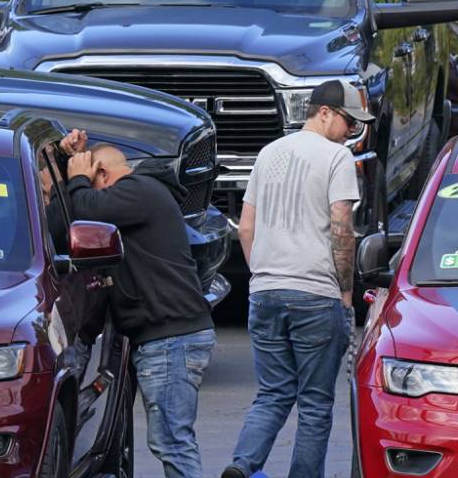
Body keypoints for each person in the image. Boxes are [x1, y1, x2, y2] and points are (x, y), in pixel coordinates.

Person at [221, 80, 373, 478]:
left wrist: (264, 273)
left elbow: (245, 227)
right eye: (348, 122)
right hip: (316, 294)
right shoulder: (336, 157)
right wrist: (345, 295)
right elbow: (342, 226)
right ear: (324, 112)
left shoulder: (269, 153)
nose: (352, 132)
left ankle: (242, 464)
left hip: (266, 291)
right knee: (316, 404)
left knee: (272, 393)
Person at [59, 129, 215, 478]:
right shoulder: (142, 193)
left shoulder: (137, 190)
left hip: (170, 339)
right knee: (171, 441)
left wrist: (78, 179)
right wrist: (68, 157)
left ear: (102, 173)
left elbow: (85, 209)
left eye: (90, 177)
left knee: (173, 442)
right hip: (169, 337)